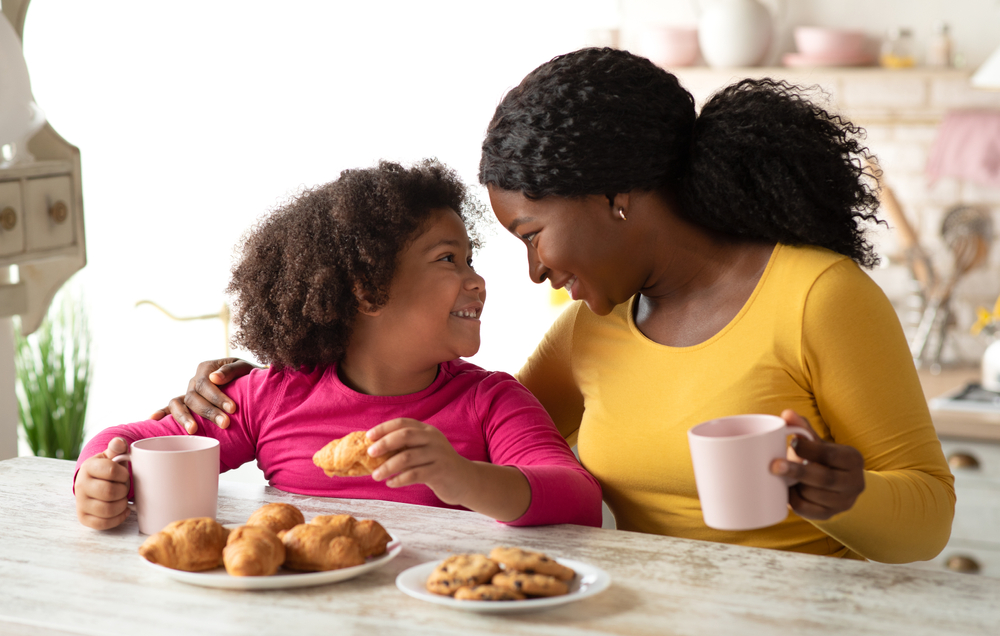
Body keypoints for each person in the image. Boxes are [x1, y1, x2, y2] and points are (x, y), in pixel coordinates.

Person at [161, 49, 954, 563]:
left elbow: (928, 516)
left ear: (615, 196)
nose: (534, 270)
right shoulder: (590, 329)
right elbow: (464, 420)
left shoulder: (818, 297)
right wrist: (259, 384)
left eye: (532, 233)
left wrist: (844, 496)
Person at [74, 159, 602, 531]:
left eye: (470, 259)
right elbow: (127, 440)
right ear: (368, 290)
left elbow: (578, 498)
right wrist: (99, 477)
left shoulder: (491, 402)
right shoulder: (271, 396)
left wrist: (463, 478)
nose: (477, 280)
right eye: (448, 259)